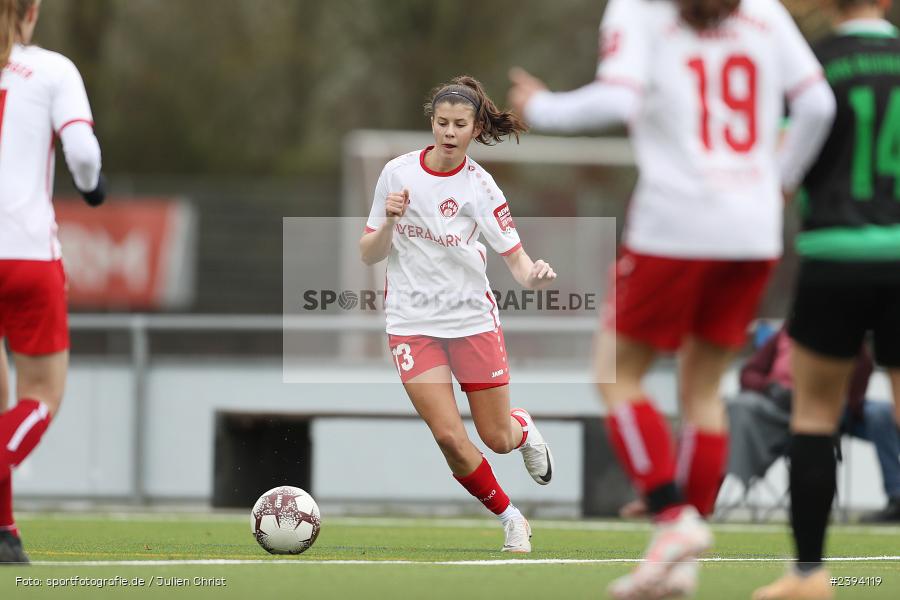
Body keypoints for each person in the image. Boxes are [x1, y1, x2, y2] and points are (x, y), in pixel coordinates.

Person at [508, 0, 835, 596]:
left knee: (617, 375)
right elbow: (817, 105)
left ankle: (671, 517)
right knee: (703, 388)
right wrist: (778, 182)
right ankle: (680, 556)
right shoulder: (763, 10)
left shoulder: (638, 8)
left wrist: (541, 106)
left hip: (674, 223)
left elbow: (618, 98)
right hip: (752, 226)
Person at [359, 75, 557, 553]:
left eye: (460, 124)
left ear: (474, 128)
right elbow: (369, 254)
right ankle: (511, 518)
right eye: (442, 122)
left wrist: (534, 276)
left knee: (497, 438)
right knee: (448, 435)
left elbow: (516, 259)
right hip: (411, 323)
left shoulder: (480, 187)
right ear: (432, 123)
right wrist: (388, 220)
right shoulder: (397, 173)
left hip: (471, 320)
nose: (449, 131)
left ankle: (523, 428)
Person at [753, 0, 900, 597]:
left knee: (814, 414)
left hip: (833, 255)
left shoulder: (808, 64)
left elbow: (782, 166)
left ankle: (809, 576)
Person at [0, 0, 105, 563]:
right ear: (31, 11)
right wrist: (92, 188)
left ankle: (3, 534)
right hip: (24, 257)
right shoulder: (51, 69)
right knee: (41, 397)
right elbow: (82, 155)